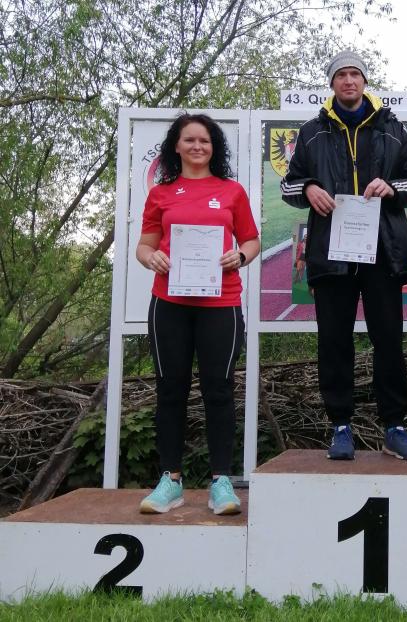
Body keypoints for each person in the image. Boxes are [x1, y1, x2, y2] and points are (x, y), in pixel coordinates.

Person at [280, 50, 407, 460]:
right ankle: (340, 426)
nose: (349, 81)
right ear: (332, 83)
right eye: (341, 75)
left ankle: (394, 426)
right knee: (334, 341)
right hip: (331, 253)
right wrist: (309, 187)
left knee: (388, 340)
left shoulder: (392, 128)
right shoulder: (311, 132)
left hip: (383, 251)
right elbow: (288, 186)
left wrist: (392, 188)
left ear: (364, 81)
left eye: (355, 74)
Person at [136, 113, 260, 515]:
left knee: (218, 391)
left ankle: (221, 482)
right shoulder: (161, 193)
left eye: (204, 141)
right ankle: (170, 481)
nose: (197, 146)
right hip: (169, 304)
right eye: (189, 140)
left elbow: (252, 241)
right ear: (176, 145)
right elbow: (144, 246)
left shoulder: (231, 192)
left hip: (221, 304)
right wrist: (151, 258)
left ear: (213, 147)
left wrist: (240, 256)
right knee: (170, 390)